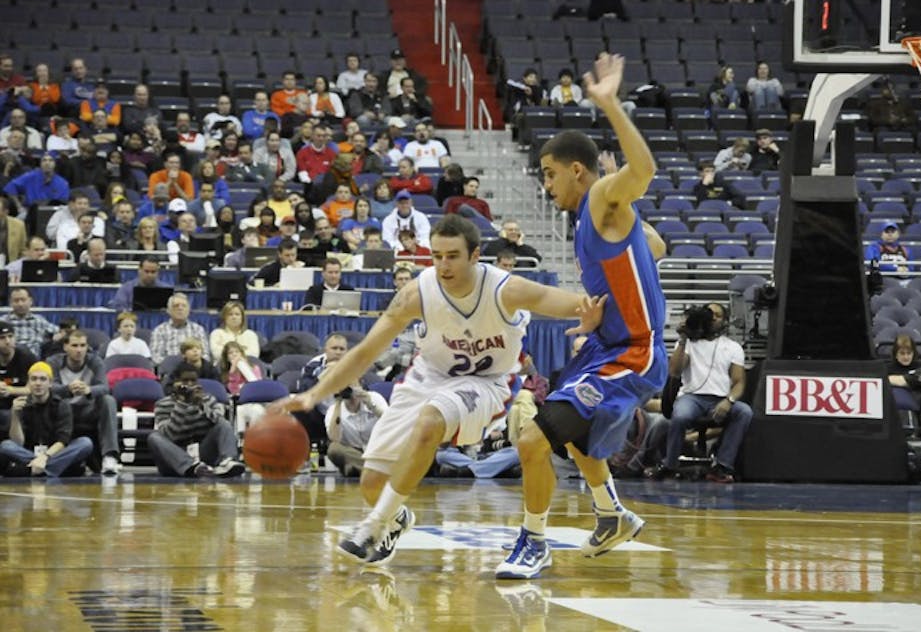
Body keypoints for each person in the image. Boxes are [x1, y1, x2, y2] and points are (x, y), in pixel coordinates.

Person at [267, 214, 604, 568]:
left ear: (475, 256)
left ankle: (374, 525)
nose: (443, 265)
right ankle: (395, 519)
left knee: (431, 421)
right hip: (427, 376)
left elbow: (577, 302)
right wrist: (312, 395)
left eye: (453, 256)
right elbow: (366, 350)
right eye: (437, 256)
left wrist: (591, 315)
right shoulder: (417, 293)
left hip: (487, 383)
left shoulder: (506, 289)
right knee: (372, 483)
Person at [496, 54, 668, 579]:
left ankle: (534, 541)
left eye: (549, 175)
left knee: (532, 438)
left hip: (632, 354)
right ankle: (611, 513)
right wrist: (602, 314)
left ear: (575, 170)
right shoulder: (594, 216)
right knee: (572, 435)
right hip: (606, 346)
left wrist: (611, 106)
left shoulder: (596, 198)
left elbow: (644, 171)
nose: (546, 187)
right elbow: (654, 248)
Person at [647, 304, 752, 482]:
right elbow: (674, 371)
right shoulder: (689, 343)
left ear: (725, 321)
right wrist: (682, 339)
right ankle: (669, 464)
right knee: (680, 416)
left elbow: (739, 382)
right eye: (710, 314)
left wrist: (730, 400)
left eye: (718, 315)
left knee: (744, 412)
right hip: (692, 398)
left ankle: (722, 466)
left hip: (720, 399)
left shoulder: (733, 347)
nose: (713, 318)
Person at [147, 362, 245, 478]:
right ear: (175, 383)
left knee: (223, 423)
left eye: (193, 381)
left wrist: (201, 405)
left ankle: (228, 461)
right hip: (174, 459)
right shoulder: (162, 404)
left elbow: (218, 422)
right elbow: (170, 435)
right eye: (185, 381)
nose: (189, 384)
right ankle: (190, 466)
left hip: (203, 456)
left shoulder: (208, 399)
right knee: (154, 437)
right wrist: (183, 404)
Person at [46, 330, 121, 475]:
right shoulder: (53, 362)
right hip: (62, 411)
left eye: (82, 345)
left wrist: (88, 390)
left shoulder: (95, 361)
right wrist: (67, 389)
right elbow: (48, 387)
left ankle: (110, 456)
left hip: (87, 410)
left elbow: (105, 388)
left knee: (108, 400)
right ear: (65, 347)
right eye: (74, 345)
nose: (79, 350)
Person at [0, 361, 93, 477]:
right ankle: (51, 469)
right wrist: (15, 415)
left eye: (43, 379)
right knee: (6, 445)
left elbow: (62, 441)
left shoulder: (62, 404)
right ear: (28, 383)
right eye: (34, 379)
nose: (38, 383)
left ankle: (34, 470)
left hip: (55, 453)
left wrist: (44, 457)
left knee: (85, 443)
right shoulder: (21, 404)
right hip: (29, 452)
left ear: (50, 383)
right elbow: (18, 442)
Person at [324, 379, 389, 477]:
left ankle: (358, 469)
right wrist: (338, 402)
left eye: (353, 384)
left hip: (378, 450)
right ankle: (378, 471)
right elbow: (334, 438)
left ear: (361, 385)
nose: (350, 389)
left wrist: (371, 405)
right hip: (354, 453)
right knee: (334, 449)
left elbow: (391, 423)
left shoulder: (374, 397)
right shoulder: (333, 410)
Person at [149, 293, 209, 366]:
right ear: (168, 310)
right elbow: (156, 357)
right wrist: (174, 365)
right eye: (176, 306)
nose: (180, 308)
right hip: (169, 371)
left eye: (184, 306)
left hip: (194, 370)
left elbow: (205, 355)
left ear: (189, 310)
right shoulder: (159, 330)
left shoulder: (198, 329)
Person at [2, 287, 57, 358]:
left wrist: (58, 336)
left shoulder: (39, 320)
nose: (20, 304)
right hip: (10, 360)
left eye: (23, 300)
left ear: (30, 301)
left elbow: (59, 332)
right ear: (10, 303)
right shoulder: (3, 321)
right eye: (16, 301)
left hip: (34, 362)